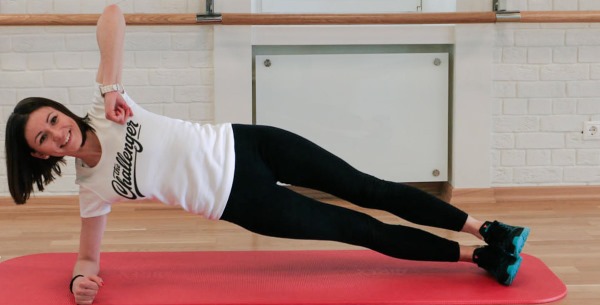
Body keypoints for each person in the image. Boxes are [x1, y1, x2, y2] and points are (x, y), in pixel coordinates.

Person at [5, 5, 530, 305]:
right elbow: (88, 255)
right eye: (43, 141)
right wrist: (80, 280)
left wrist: (113, 83)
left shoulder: (107, 106)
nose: (57, 134)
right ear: (40, 157)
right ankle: (477, 258)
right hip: (243, 203)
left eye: (52, 120)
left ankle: (489, 230)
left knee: (370, 188)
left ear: (61, 111)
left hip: (251, 144)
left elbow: (113, 15)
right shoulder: (92, 189)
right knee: (358, 229)